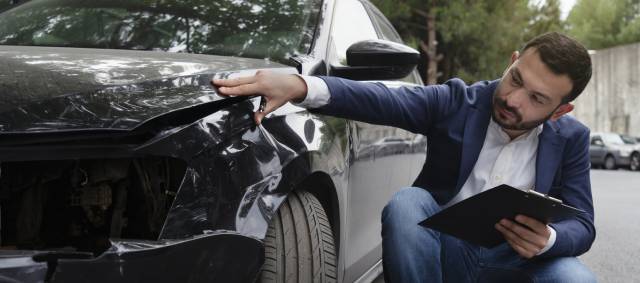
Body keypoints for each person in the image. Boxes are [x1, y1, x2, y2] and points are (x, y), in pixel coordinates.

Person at [212, 32, 596, 283]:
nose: (513, 99)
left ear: (561, 110)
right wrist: (300, 85)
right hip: (444, 254)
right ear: (512, 60)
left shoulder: (572, 139)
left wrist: (548, 240)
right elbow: (384, 98)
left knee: (576, 279)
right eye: (516, 79)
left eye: (537, 99)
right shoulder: (459, 102)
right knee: (409, 203)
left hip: (514, 264)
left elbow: (582, 222)